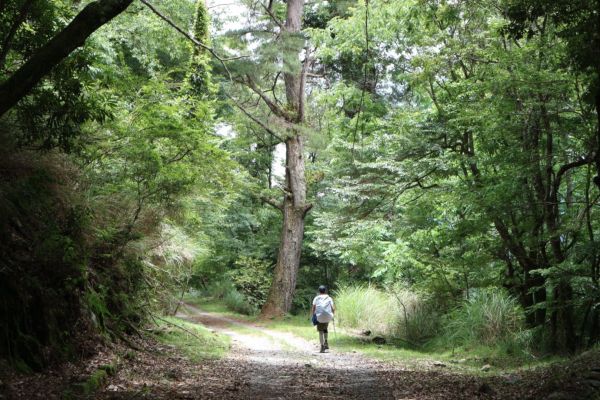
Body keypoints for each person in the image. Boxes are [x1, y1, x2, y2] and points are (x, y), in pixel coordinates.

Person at [311, 285, 335, 353]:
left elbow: (313, 308)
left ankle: (322, 346)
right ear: (325, 291)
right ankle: (326, 342)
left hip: (320, 316)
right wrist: (333, 315)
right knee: (325, 328)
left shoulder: (316, 298)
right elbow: (333, 308)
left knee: (320, 331)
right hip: (328, 316)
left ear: (319, 291)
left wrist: (313, 316)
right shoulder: (329, 298)